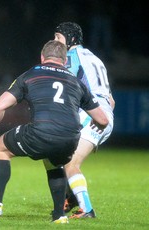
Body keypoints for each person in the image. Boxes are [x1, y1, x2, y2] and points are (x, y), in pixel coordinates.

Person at [0, 40, 109, 224]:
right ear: (65, 61)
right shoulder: (76, 81)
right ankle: (59, 215)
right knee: (53, 161)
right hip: (70, 138)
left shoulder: (31, 74)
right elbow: (103, 120)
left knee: (1, 147)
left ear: (42, 57)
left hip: (41, 132)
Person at [54, 22, 115, 218]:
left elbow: (64, 84)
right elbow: (111, 101)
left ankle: (86, 209)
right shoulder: (95, 59)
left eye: (58, 37)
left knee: (70, 163)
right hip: (102, 112)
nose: (55, 41)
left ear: (70, 39)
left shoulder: (72, 57)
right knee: (61, 155)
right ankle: (72, 197)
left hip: (92, 114)